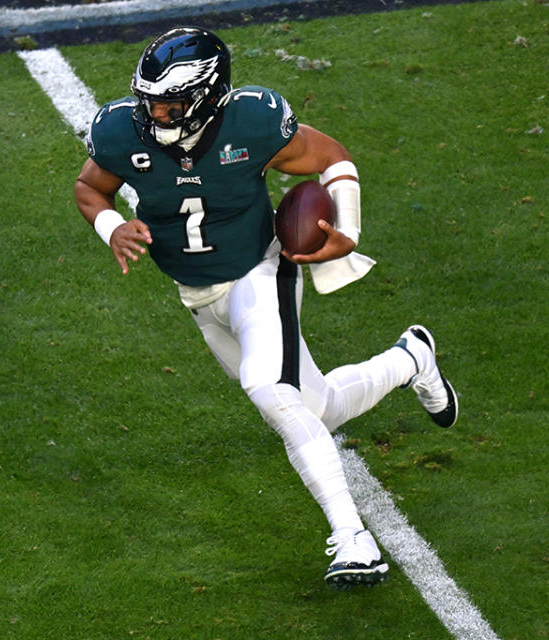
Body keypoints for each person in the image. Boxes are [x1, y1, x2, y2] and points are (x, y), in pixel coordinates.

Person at [74, 26, 458, 590]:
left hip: (261, 270)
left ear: (207, 98)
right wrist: (111, 227)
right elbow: (90, 190)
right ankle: (411, 359)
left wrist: (345, 230)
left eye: (170, 102)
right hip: (199, 295)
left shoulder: (252, 122)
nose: (155, 113)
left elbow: (333, 158)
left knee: (269, 389)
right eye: (149, 100)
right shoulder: (117, 131)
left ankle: (354, 539)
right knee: (315, 410)